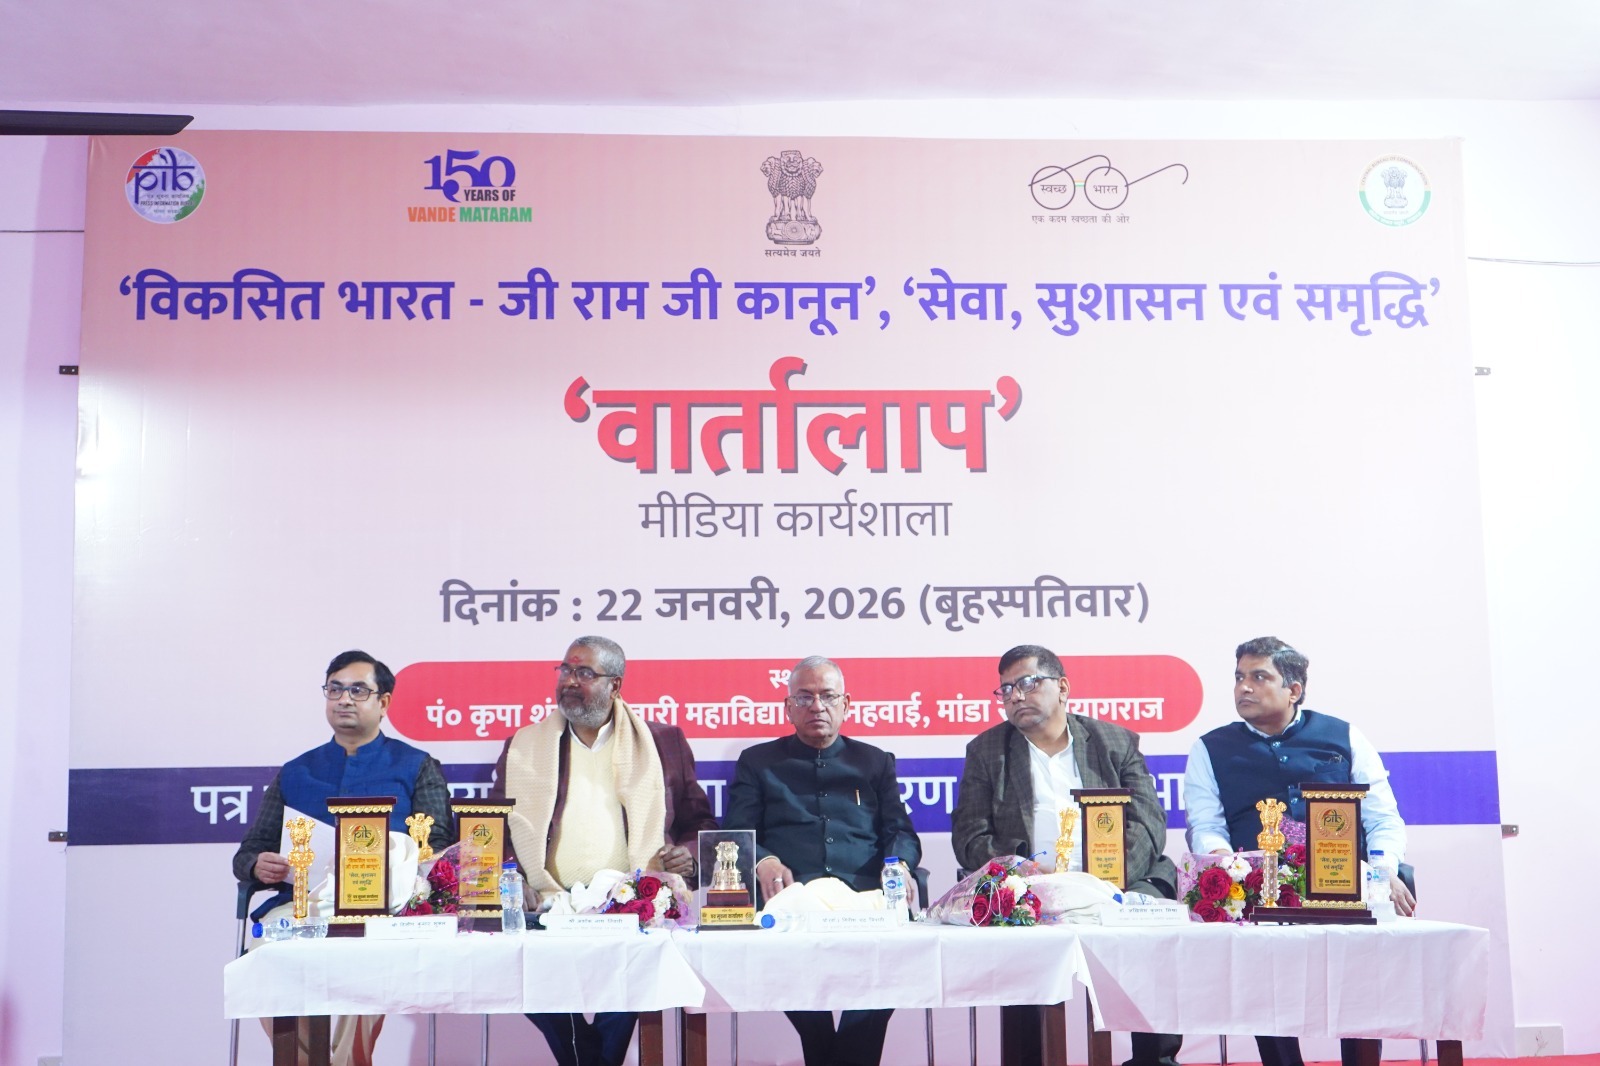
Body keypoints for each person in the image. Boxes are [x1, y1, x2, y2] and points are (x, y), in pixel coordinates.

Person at [1184, 635, 1412, 1066]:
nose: (1243, 687)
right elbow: (1207, 826)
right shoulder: (1210, 747)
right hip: (1258, 890)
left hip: (1344, 884)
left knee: (1358, 985)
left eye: (1259, 677)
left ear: (1293, 689)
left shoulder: (1343, 735)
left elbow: (1383, 817)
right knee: (1264, 982)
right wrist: (1232, 870)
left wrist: (1382, 871)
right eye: (1239, 677)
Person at [951, 644, 1182, 1066]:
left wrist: (1105, 878)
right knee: (1012, 921)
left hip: (1118, 879)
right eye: (1006, 689)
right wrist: (1020, 870)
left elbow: (1148, 822)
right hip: (1032, 886)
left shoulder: (1114, 742)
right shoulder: (987, 750)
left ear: (1062, 687)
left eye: (1027, 683)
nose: (1016, 696)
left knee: (1151, 928)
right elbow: (970, 836)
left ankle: (1156, 1060)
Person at [492, 635, 717, 1066]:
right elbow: (496, 829)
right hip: (549, 904)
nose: (569, 681)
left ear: (615, 685)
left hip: (632, 906)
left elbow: (699, 821)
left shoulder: (663, 742)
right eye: (565, 670)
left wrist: (687, 854)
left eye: (584, 673)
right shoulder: (524, 745)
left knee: (634, 981)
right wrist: (513, 877)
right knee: (529, 976)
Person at [232, 649, 453, 1066]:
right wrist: (258, 864)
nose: (344, 699)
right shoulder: (296, 771)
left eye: (358, 690)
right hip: (302, 905)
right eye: (335, 689)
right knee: (266, 957)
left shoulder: (416, 766)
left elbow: (439, 845)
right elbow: (249, 851)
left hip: (383, 909)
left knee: (368, 957)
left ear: (383, 702)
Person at [723, 655, 921, 1066]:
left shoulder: (875, 761)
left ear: (846, 704)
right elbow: (737, 833)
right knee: (792, 982)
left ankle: (829, 1057)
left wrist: (899, 865)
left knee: (882, 982)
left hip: (865, 899)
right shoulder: (758, 762)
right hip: (792, 902)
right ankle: (827, 1049)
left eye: (828, 696)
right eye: (805, 697)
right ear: (788, 707)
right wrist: (763, 860)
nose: (817, 706)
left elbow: (899, 831)